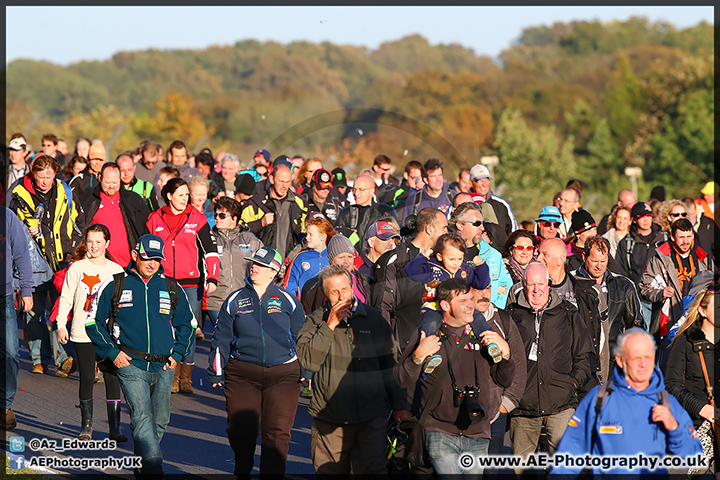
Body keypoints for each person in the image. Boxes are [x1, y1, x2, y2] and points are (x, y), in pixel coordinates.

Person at [86, 234, 194, 477]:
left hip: (164, 365)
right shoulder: (116, 283)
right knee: (142, 415)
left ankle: (142, 463)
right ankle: (153, 466)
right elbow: (93, 322)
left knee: (160, 420)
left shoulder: (171, 286)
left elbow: (189, 323)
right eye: (147, 258)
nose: (152, 264)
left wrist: (177, 354)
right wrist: (113, 353)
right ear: (135, 255)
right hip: (130, 363)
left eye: (157, 259)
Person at [394, 278, 515, 476]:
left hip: (478, 431)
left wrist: (507, 355)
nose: (470, 305)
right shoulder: (428, 334)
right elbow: (401, 379)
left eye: (470, 299)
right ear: (445, 305)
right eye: (463, 301)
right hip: (439, 431)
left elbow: (504, 380)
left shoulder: (483, 334)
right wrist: (417, 358)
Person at [296, 265, 407, 475]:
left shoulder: (373, 319)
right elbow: (309, 362)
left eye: (345, 289)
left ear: (352, 287)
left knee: (373, 472)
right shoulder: (315, 320)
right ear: (324, 294)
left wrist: (400, 406)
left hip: (372, 415)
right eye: (334, 292)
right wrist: (328, 326)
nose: (341, 296)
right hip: (330, 416)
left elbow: (391, 367)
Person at [550, 328, 702, 479]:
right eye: (636, 358)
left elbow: (694, 455)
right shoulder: (599, 398)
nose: (643, 364)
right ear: (620, 360)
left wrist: (674, 428)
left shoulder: (667, 402)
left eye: (648, 357)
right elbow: (573, 447)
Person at [208, 247, 305, 476]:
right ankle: (243, 466)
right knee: (241, 430)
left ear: (274, 272)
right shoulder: (235, 298)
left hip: (284, 375)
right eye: (253, 263)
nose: (254, 267)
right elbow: (221, 337)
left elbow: (304, 338)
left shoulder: (288, 300)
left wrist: (308, 370)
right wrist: (216, 370)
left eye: (260, 265)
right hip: (243, 374)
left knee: (277, 432)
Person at [506, 262, 594, 465]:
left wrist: (572, 383)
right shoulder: (512, 314)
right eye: (530, 284)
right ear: (522, 284)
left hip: (561, 404)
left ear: (549, 284)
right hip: (523, 407)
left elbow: (585, 353)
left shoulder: (568, 313)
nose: (536, 289)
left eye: (541, 283)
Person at [9, 154, 82, 376]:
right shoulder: (19, 193)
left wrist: (75, 252)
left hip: (62, 261)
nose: (45, 182)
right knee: (34, 312)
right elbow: (8, 226)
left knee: (60, 312)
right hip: (32, 262)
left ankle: (63, 357)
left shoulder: (65, 191)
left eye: (49, 176)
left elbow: (79, 222)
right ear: (33, 173)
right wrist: (24, 230)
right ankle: (39, 359)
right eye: (41, 177)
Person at [146, 178, 220, 394]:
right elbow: (146, 251)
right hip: (162, 281)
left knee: (186, 328)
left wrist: (212, 278)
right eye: (180, 194)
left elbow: (211, 252)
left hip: (190, 284)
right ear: (168, 196)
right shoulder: (154, 219)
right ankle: (170, 374)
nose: (185, 199)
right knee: (163, 327)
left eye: (187, 195)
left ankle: (185, 377)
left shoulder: (197, 219)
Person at [56, 224, 127, 442]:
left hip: (107, 334)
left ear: (107, 244)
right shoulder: (77, 268)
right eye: (90, 241)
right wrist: (61, 325)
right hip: (81, 330)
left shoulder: (117, 270)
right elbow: (66, 297)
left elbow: (122, 305)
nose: (94, 246)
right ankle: (86, 426)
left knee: (111, 377)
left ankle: (115, 428)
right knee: (87, 376)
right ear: (85, 242)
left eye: (99, 242)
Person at [571, 236, 645, 384]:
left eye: (603, 261)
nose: (599, 266)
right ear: (584, 257)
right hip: (579, 362)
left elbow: (637, 327)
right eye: (594, 261)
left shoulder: (623, 285)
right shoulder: (570, 282)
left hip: (613, 364)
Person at [639, 218, 714, 364]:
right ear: (672, 237)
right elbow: (643, 288)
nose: (685, 241)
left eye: (688, 236)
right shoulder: (658, 259)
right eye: (681, 237)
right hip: (668, 324)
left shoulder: (704, 258)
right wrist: (660, 293)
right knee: (668, 368)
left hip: (697, 322)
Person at [371, 208, 448, 348]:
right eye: (444, 228)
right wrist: (389, 347)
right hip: (405, 344)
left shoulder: (444, 259)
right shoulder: (396, 259)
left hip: (441, 344)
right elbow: (382, 307)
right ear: (429, 229)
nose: (446, 232)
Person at [471, 283, 527, 458]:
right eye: (478, 289)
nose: (484, 294)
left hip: (495, 415)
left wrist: (506, 405)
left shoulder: (502, 320)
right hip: (461, 415)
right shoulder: (457, 322)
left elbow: (519, 364)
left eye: (487, 289)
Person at [665, 282, 718, 440]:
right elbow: (672, 385)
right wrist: (701, 408)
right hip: (696, 427)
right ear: (702, 311)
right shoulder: (685, 341)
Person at [205, 196, 263, 330]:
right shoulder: (209, 238)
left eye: (222, 215)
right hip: (216, 300)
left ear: (234, 218)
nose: (217, 218)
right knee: (224, 334)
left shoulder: (250, 239)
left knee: (240, 337)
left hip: (243, 299)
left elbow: (264, 264)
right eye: (216, 214)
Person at [80, 162, 151, 269]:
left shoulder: (132, 200)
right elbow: (79, 226)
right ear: (100, 178)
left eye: (115, 182)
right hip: (98, 265)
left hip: (127, 265)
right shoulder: (89, 198)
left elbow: (145, 229)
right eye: (107, 182)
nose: (111, 186)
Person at [1, 206, 33, 429]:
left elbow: (21, 253)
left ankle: (5, 404)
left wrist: (27, 289)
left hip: (4, 295)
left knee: (12, 353)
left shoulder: (8, 216)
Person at [241, 160, 308, 260]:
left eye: (288, 182)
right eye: (281, 181)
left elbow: (305, 235)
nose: (284, 186)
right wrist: (260, 223)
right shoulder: (256, 202)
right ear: (272, 179)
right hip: (262, 262)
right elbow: (240, 232)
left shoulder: (300, 203)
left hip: (289, 263)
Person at [451, 201, 513, 308]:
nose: (482, 228)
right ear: (460, 225)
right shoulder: (445, 252)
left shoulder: (493, 254)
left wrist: (491, 312)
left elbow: (507, 288)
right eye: (477, 223)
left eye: (482, 223)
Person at [335, 174, 397, 250]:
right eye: (354, 189)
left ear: (372, 190)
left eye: (361, 189)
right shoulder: (345, 213)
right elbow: (337, 241)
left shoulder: (386, 211)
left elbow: (395, 240)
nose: (356, 193)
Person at [283, 215, 335, 298]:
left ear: (322, 237)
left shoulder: (334, 255)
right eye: (306, 234)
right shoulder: (300, 257)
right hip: (305, 307)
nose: (307, 237)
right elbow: (289, 284)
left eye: (311, 235)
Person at [468, 164, 518, 237]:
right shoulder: (462, 202)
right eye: (480, 181)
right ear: (471, 182)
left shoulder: (502, 205)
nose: (484, 184)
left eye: (486, 180)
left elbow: (513, 232)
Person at [401, 158, 453, 223]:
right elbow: (405, 228)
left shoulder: (452, 196)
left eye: (440, 175)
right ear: (425, 180)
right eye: (433, 176)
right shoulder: (413, 200)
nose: (438, 179)